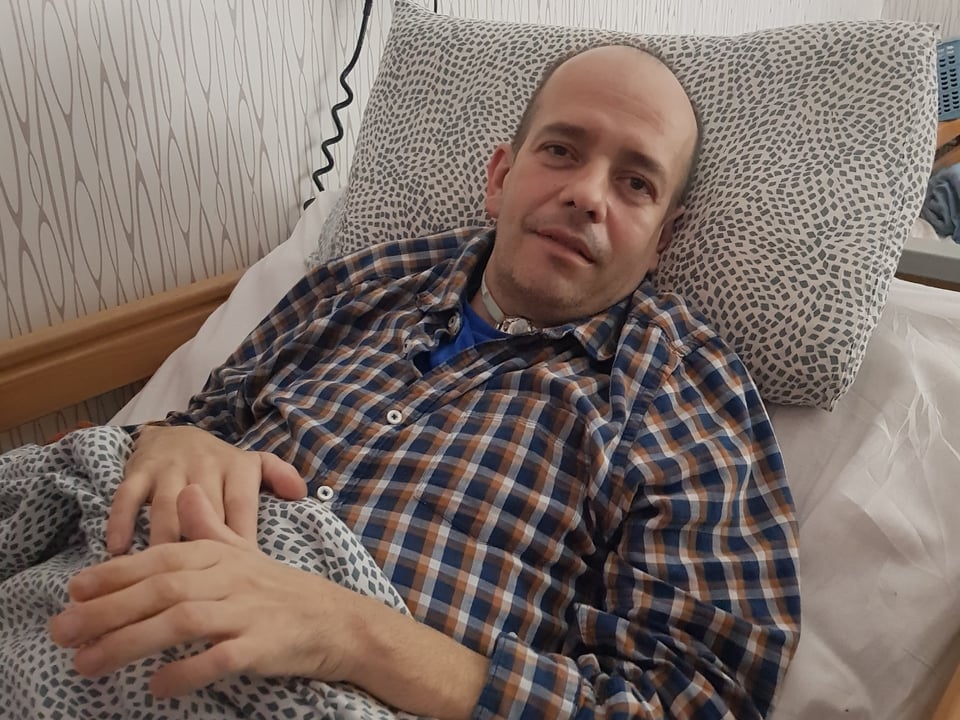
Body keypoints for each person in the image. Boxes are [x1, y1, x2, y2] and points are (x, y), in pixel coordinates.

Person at [49, 44, 800, 719]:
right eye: (561, 150)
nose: (587, 194)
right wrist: (168, 439)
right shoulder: (361, 285)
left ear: (663, 239)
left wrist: (352, 634)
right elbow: (198, 420)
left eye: (635, 183)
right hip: (86, 617)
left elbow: (695, 698)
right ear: (500, 177)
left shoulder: (682, 399)